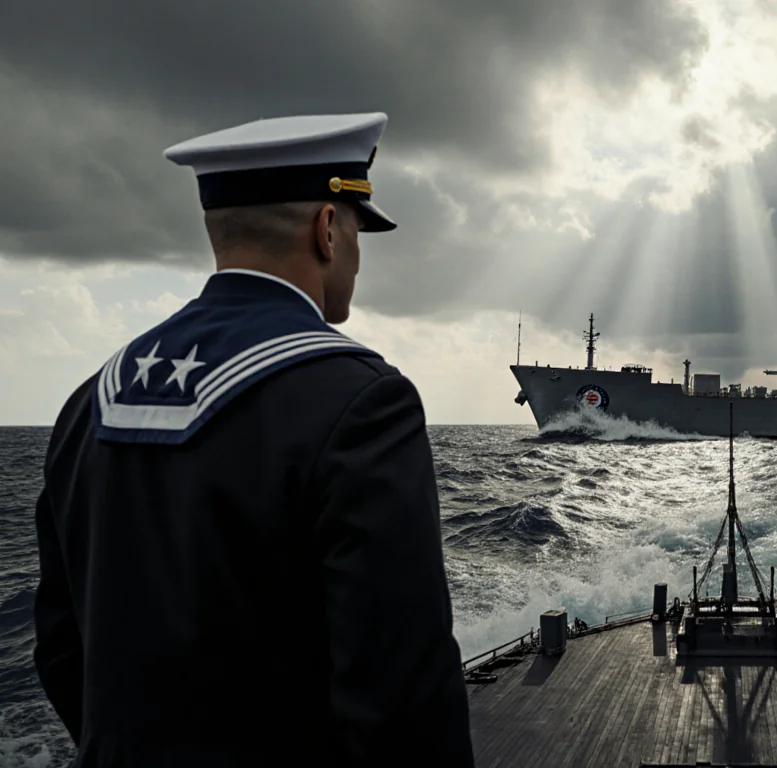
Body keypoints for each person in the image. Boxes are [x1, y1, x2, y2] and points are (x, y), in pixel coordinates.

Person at [32, 113, 474, 766]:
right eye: (357, 231)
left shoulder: (90, 400)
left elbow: (62, 650)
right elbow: (402, 703)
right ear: (328, 230)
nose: (356, 253)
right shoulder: (362, 403)